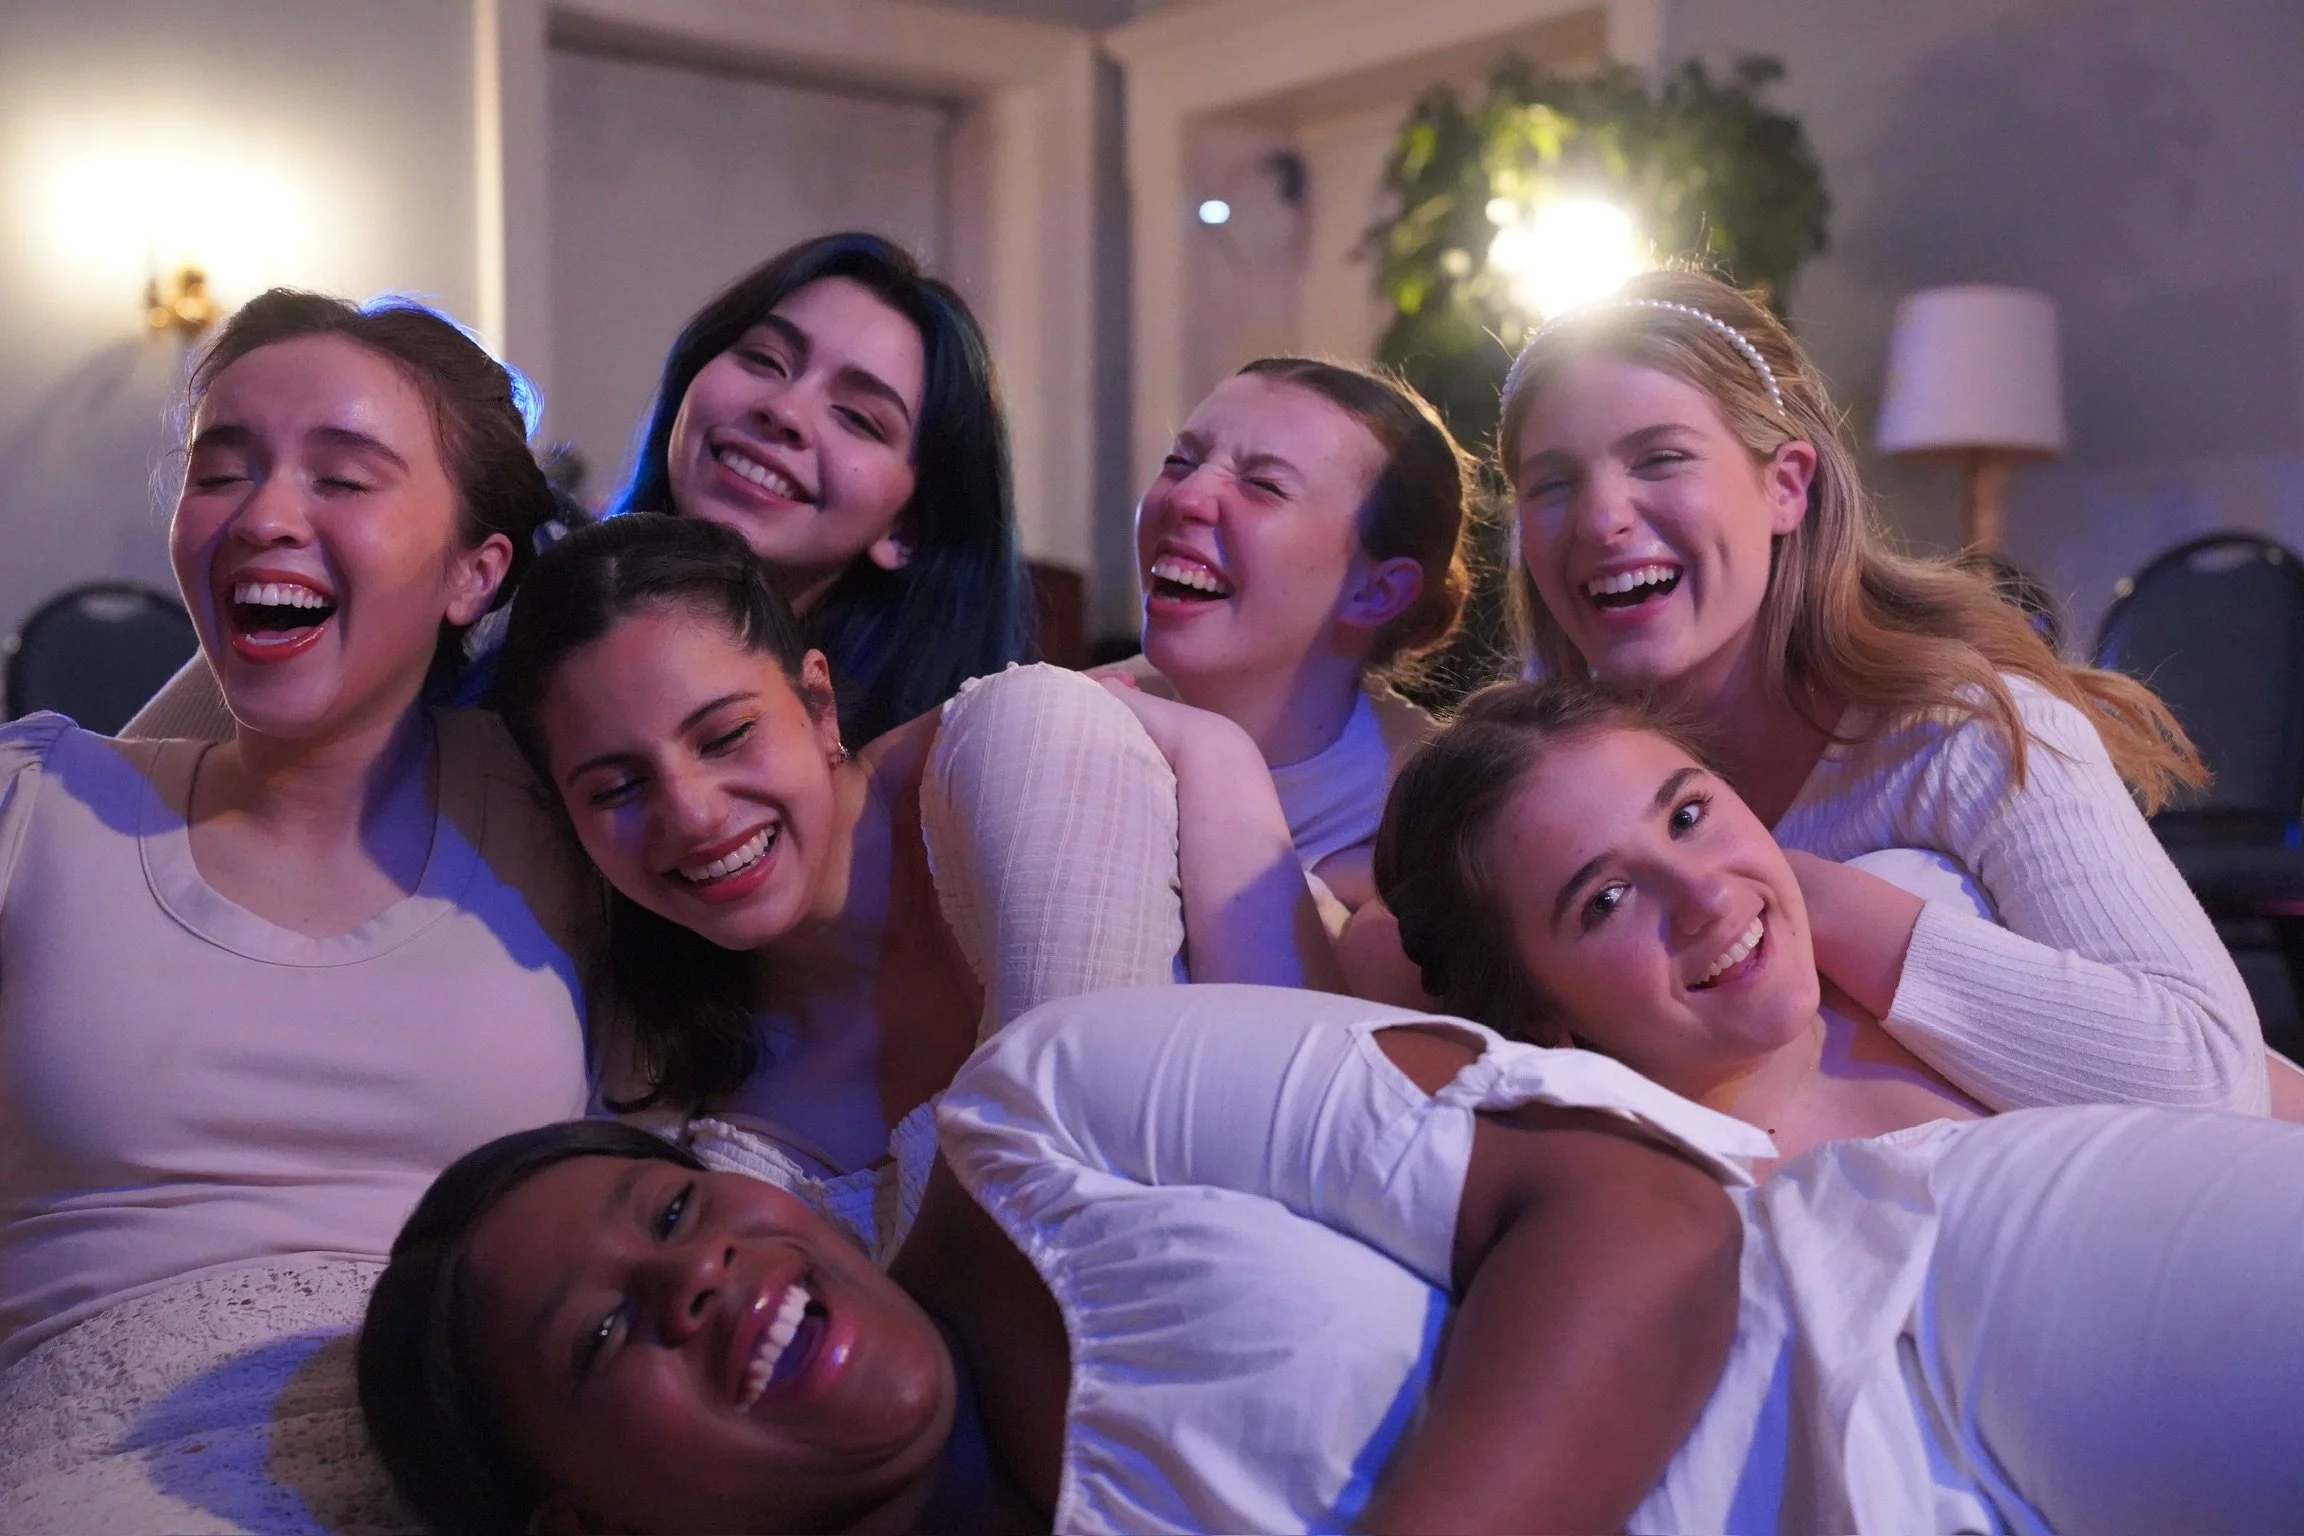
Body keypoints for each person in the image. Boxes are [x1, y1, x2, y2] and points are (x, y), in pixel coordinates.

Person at [360, 983, 2304, 1534]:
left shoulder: (1050, 1110)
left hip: (1926, 1324)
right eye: (604, 1331)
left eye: (680, 1211)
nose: (694, 1277)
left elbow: (1635, 1216)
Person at [0, 292, 595, 1530]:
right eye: (221, 471)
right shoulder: (38, 805)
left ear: (476, 570)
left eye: (344, 479)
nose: (264, 515)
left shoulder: (572, 824)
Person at [1498, 267, 2265, 1113]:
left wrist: (1798, 896)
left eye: (1660, 458)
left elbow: (2205, 1077)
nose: (1601, 518)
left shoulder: (1967, 733)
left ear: (1786, 486)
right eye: (1553, 484)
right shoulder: (1547, 810)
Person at [490, 512, 1333, 1175]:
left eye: (725, 737)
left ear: (818, 705)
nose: (694, 816)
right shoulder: (660, 1082)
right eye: (617, 789)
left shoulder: (1021, 744)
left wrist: (1216, 752)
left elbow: (1097, 1178)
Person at [126, 232, 1030, 750]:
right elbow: (146, 768)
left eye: (859, 418)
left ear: (908, 527)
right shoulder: (485, 589)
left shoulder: (917, 755)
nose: (785, 412)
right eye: (763, 359)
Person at [1378, 679, 2304, 1157]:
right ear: (1541, 1012)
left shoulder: (1933, 895)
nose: (1705, 895)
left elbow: (2250, 1096)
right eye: (1606, 901)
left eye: (1690, 814)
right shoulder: (1675, 1201)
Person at [1116, 357, 1474, 921]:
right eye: (1180, 461)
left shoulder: (1436, 820)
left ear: (1376, 592)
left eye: (1264, 485)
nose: (1186, 498)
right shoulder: (1079, 714)